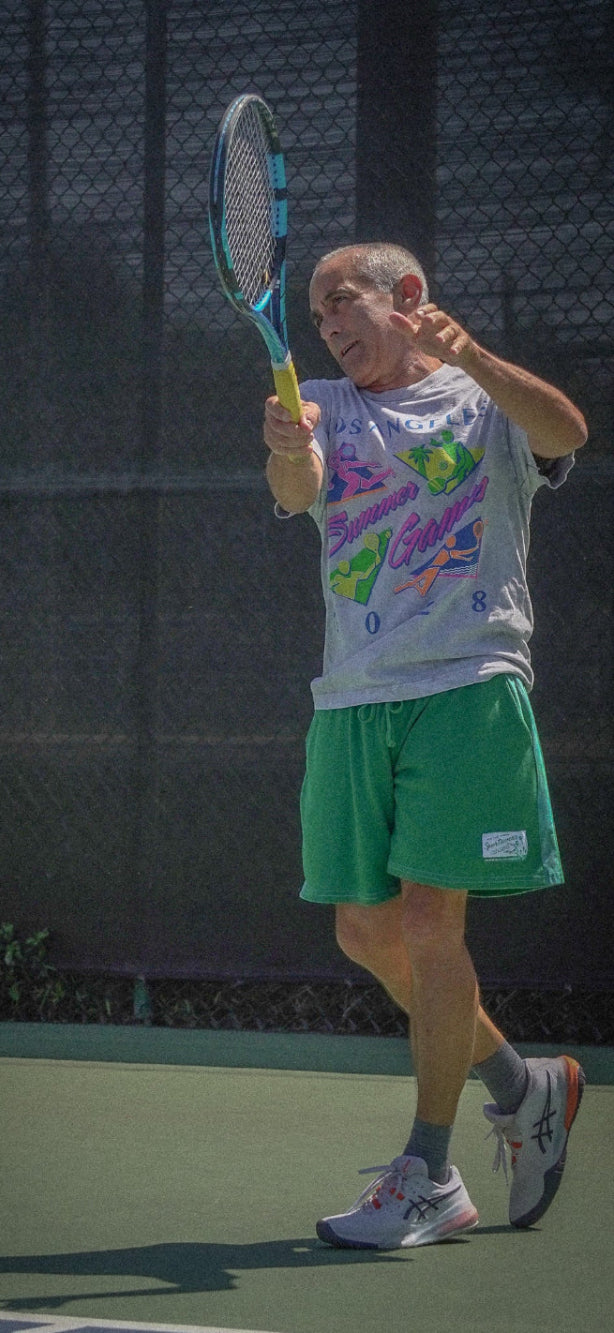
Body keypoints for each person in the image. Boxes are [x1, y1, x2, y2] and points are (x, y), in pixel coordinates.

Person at [263, 241, 588, 1251]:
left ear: (407, 297)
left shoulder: (484, 402)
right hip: (354, 696)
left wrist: (479, 358)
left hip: (466, 684)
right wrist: (284, 442)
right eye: (318, 314)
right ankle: (519, 1082)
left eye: (343, 302)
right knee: (365, 934)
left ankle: (429, 1173)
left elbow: (568, 429)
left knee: (428, 922)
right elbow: (297, 484)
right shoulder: (319, 399)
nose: (329, 325)